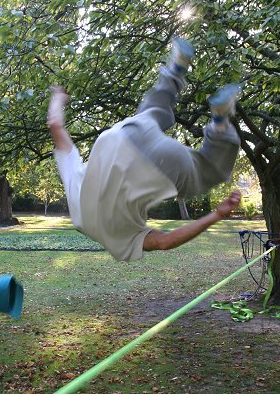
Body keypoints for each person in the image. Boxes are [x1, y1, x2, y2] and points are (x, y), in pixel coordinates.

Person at [47, 38, 242, 262]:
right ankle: (175, 69)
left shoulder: (120, 245)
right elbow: (55, 124)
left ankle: (219, 122)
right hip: (123, 135)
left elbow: (165, 242)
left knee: (209, 171)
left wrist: (217, 214)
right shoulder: (75, 193)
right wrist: (57, 96)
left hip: (162, 166)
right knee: (153, 109)